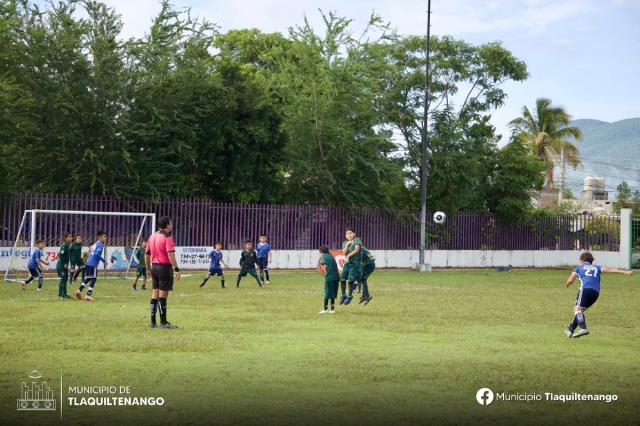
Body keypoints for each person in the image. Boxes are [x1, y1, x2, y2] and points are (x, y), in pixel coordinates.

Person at [565, 251, 633, 338]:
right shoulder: (597, 267)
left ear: (582, 261)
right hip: (595, 293)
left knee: (577, 310)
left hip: (585, 290)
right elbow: (609, 270)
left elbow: (570, 280)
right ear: (591, 261)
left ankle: (583, 328)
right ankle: (570, 330)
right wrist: (625, 272)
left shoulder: (579, 268)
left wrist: (567, 284)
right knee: (580, 311)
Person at [145, 217, 181, 329]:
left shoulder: (152, 236)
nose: (171, 225)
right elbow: (170, 254)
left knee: (154, 294)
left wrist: (148, 269)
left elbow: (147, 254)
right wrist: (176, 269)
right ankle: (163, 322)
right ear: (167, 225)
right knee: (163, 295)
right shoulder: (167, 236)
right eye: (171, 223)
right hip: (164, 268)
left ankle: (152, 322)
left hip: (154, 267)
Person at [75, 231, 108, 302]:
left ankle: (79, 291)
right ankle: (88, 295)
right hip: (93, 263)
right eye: (104, 236)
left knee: (89, 277)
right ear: (100, 237)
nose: (106, 238)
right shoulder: (101, 245)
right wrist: (104, 260)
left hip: (88, 262)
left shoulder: (96, 243)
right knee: (94, 278)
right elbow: (96, 254)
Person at [340, 227, 362, 305]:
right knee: (342, 278)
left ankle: (350, 296)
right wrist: (347, 245)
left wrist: (349, 255)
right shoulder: (345, 242)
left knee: (350, 279)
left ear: (354, 234)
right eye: (347, 234)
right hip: (347, 263)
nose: (349, 235)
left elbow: (356, 250)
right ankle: (343, 295)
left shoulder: (356, 240)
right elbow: (344, 253)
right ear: (345, 235)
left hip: (355, 263)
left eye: (350, 233)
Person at [317, 245, 339, 314]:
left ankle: (325, 309)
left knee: (327, 292)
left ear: (321, 252)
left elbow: (325, 265)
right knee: (332, 293)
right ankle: (332, 309)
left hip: (329, 277)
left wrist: (326, 272)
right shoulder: (331, 256)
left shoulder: (323, 256)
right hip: (336, 276)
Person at [56, 232, 73, 299]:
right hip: (61, 265)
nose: (71, 238)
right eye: (69, 237)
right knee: (63, 279)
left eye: (71, 237)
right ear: (65, 238)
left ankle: (65, 294)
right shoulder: (64, 245)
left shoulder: (68, 245)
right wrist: (64, 263)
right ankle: (60, 295)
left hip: (65, 266)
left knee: (65, 279)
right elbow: (61, 255)